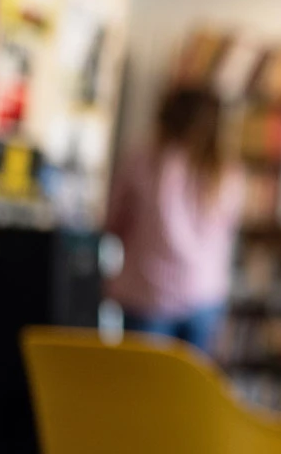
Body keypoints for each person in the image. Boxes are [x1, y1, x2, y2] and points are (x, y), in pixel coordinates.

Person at [104, 86, 245, 355]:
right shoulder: (227, 173)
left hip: (147, 293)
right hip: (205, 294)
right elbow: (228, 231)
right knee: (189, 391)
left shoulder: (142, 161)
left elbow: (113, 223)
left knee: (146, 389)